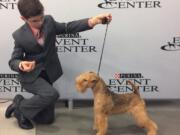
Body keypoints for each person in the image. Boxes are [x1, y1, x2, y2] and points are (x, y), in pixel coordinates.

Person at [5, 0, 112, 129]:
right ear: (23, 18)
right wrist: (21, 64)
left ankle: (19, 102)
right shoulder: (19, 36)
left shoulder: (49, 21)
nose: (40, 23)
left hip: (48, 74)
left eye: (41, 18)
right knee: (52, 94)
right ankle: (20, 111)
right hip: (30, 76)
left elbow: (67, 27)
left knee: (47, 120)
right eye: (34, 21)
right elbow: (13, 61)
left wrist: (92, 21)